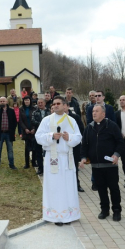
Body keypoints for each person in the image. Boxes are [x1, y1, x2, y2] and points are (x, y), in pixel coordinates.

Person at [35, 96, 82, 225]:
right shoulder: (46, 120)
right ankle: (55, 216)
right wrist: (51, 136)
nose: (56, 105)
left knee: (67, 186)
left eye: (58, 103)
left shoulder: (71, 120)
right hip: (52, 158)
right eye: (54, 104)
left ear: (64, 105)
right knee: (54, 187)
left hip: (67, 158)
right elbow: (38, 137)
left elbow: (78, 136)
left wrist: (69, 137)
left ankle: (68, 215)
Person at [80, 104, 124, 221]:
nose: (94, 113)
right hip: (96, 165)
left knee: (113, 188)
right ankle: (104, 210)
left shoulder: (112, 126)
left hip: (110, 165)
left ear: (103, 114)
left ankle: (116, 210)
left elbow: (120, 142)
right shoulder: (89, 128)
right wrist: (83, 157)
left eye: (97, 111)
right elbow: (84, 145)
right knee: (101, 189)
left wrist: (116, 154)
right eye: (93, 111)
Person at [0, 97, 18, 171]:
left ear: (7, 102)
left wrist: (13, 131)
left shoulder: (11, 110)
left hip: (9, 134)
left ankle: (11, 165)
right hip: (0, 133)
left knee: (10, 150)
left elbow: (15, 122)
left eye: (3, 101)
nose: (2, 102)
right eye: (0, 101)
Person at [65, 100, 85, 192]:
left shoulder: (75, 117)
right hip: (63, 147)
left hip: (74, 146)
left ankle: (77, 184)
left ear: (68, 106)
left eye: (64, 105)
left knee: (74, 166)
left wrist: (73, 138)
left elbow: (81, 129)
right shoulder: (55, 118)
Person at [31, 98, 51, 175]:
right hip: (38, 135)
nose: (40, 104)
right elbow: (33, 121)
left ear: (45, 103)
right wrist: (42, 125)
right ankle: (40, 168)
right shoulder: (35, 112)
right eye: (38, 103)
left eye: (41, 102)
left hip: (48, 135)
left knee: (47, 153)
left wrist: (45, 126)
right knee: (38, 152)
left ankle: (48, 168)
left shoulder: (49, 112)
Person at [19, 96, 36, 169]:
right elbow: (20, 120)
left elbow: (36, 118)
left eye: (28, 100)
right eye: (25, 100)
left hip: (33, 131)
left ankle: (34, 162)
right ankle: (27, 163)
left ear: (30, 101)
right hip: (26, 131)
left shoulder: (34, 108)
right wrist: (25, 129)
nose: (26, 101)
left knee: (34, 147)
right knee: (27, 148)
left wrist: (34, 128)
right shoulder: (21, 109)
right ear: (23, 101)